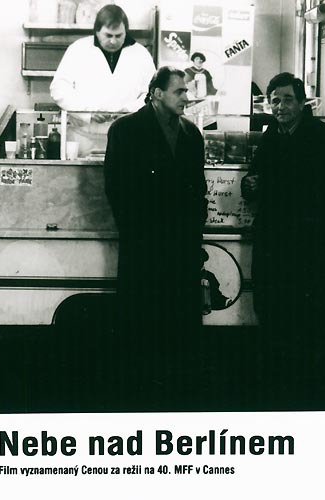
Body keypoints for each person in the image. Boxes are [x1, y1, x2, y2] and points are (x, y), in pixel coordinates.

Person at [241, 72, 325, 410]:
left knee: (305, 314)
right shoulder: (271, 135)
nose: (281, 106)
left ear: (303, 103)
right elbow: (256, 177)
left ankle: (305, 391)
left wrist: (278, 190)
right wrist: (250, 185)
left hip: (308, 244)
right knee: (271, 307)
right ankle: (277, 382)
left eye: (288, 99)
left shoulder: (321, 136)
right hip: (273, 241)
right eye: (275, 100)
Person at [104, 66, 207, 409]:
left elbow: (198, 190)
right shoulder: (126, 130)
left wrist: (194, 233)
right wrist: (136, 233)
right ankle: (138, 393)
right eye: (180, 91)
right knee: (141, 318)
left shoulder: (192, 134)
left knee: (179, 321)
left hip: (182, 245)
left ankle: (176, 393)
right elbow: (116, 188)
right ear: (157, 93)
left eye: (186, 91)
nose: (186, 97)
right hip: (144, 244)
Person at [49, 4, 156, 115]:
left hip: (129, 124)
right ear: (97, 31)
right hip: (85, 126)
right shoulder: (78, 49)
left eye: (118, 36)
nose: (113, 41)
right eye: (108, 35)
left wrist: (129, 111)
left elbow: (153, 93)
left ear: (126, 32)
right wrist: (87, 111)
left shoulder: (141, 55)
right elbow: (59, 89)